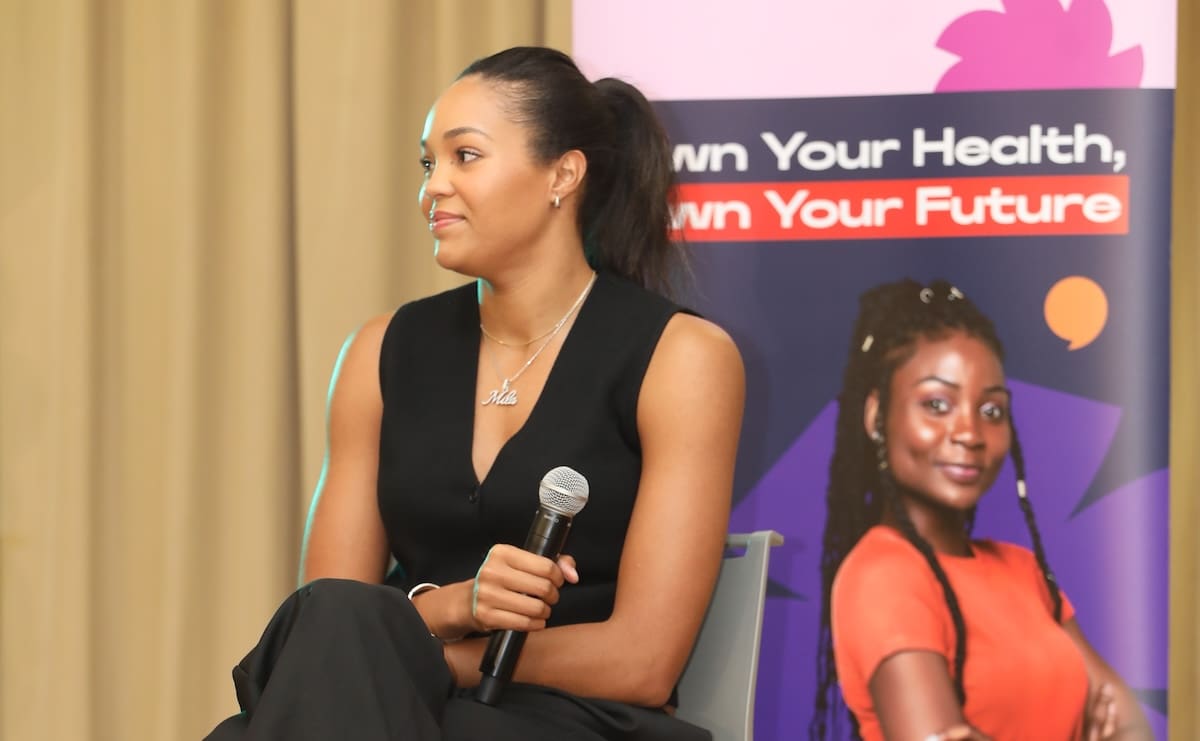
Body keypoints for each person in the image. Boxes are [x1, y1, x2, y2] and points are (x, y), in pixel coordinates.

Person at [203, 46, 744, 741]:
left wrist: (428, 658)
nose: (434, 188)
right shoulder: (380, 350)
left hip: (574, 716)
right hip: (391, 704)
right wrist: (456, 606)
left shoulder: (683, 356)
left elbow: (641, 663)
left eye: (465, 156)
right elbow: (332, 616)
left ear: (562, 174)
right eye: (428, 164)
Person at [807, 279, 1150, 741]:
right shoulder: (884, 573)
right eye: (937, 404)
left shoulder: (1023, 570)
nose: (969, 432)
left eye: (991, 411)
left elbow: (1132, 727)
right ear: (876, 416)